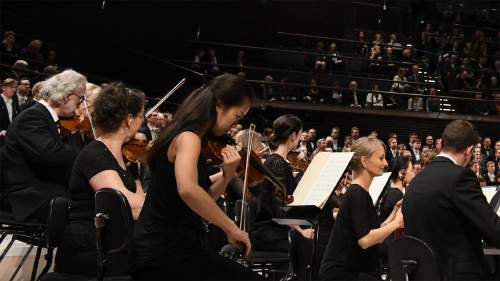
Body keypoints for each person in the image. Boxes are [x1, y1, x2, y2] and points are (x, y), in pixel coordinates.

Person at [132, 74, 260, 280]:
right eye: (237, 116)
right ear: (219, 105)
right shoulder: (189, 138)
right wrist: (232, 228)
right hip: (163, 250)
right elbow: (188, 190)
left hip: (176, 247)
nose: (234, 125)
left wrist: (227, 175)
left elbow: (202, 200)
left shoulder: (190, 137)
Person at [55, 82, 146, 276]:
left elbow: (141, 204)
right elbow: (131, 207)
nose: (142, 122)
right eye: (140, 116)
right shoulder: (94, 154)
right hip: (93, 247)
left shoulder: (128, 158)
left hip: (117, 242)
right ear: (129, 119)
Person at [403, 120, 500, 281]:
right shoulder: (460, 177)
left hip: (423, 274)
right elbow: (492, 229)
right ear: (469, 150)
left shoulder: (417, 180)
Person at [0, 70, 86, 222]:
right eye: (80, 98)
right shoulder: (32, 115)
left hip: (41, 185)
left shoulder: (45, 115)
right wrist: (87, 155)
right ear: (67, 96)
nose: (80, 104)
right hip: (25, 194)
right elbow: (49, 154)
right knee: (83, 208)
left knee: (86, 196)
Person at [320, 137, 404, 281]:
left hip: (352, 270)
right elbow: (365, 240)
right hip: (342, 273)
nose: (385, 163)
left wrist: (394, 213)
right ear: (364, 161)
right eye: (381, 158)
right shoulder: (356, 193)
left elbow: (374, 231)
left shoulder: (360, 192)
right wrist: (396, 224)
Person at [251, 114, 315, 252]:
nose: (299, 139)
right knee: (312, 246)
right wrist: (300, 230)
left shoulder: (280, 162)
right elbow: (278, 208)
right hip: (270, 232)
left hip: (279, 227)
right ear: (292, 135)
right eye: (299, 135)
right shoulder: (276, 163)